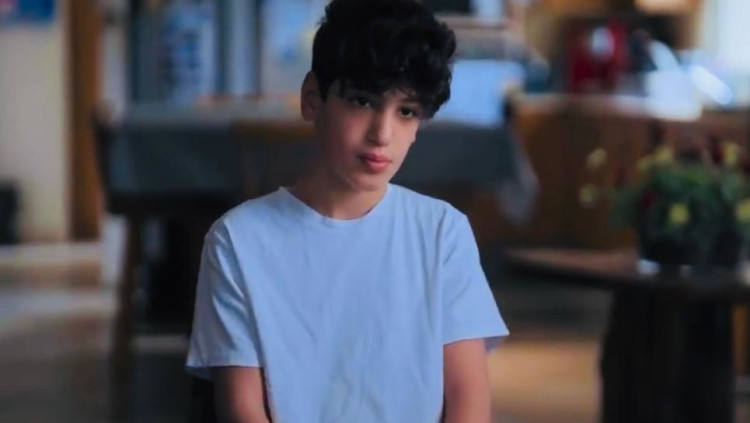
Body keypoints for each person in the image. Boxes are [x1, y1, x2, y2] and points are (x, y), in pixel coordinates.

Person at [186, 0, 508, 421]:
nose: (382, 134)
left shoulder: (442, 233)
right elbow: (242, 410)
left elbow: (468, 402)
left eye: (406, 111)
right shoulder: (238, 240)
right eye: (362, 101)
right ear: (312, 99)